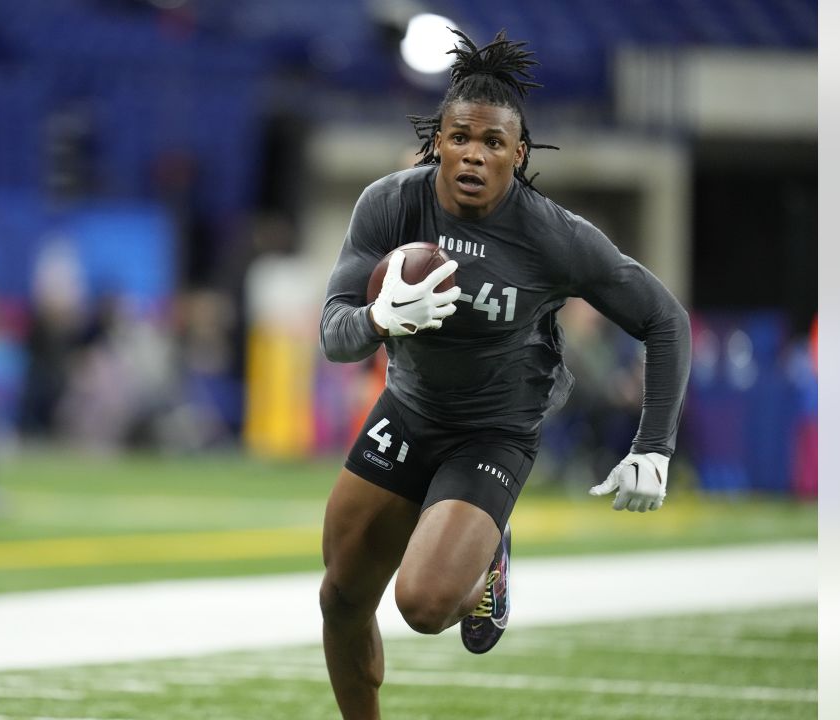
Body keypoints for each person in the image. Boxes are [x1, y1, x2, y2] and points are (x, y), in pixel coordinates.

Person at [317, 29, 690, 719]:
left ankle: (489, 551)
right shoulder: (392, 204)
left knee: (425, 607)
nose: (474, 155)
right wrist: (376, 319)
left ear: (518, 155)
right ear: (438, 141)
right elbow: (333, 335)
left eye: (493, 143)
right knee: (340, 596)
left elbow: (665, 319)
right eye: (460, 137)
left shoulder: (552, 236)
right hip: (408, 410)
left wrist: (654, 446)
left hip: (492, 433)